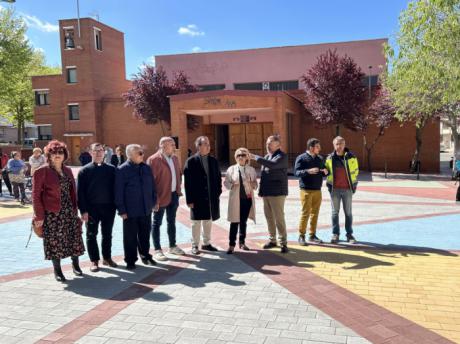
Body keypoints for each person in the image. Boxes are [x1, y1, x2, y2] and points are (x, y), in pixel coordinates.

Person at [32, 140, 85, 282]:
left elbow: (73, 192)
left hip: (69, 211)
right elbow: (36, 196)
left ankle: (76, 265)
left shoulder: (67, 170)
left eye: (60, 152)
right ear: (48, 155)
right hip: (52, 214)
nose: (57, 155)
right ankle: (58, 270)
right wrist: (39, 215)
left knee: (74, 238)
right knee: (55, 242)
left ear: (64, 155)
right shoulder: (41, 172)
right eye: (54, 152)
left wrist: (77, 210)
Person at [115, 144, 157, 269]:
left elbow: (152, 186)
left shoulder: (146, 168)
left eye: (142, 152)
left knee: (145, 235)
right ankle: (130, 260)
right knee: (130, 237)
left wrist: (154, 201)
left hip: (146, 208)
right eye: (139, 153)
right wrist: (121, 210)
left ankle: (145, 256)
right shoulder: (122, 170)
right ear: (130, 155)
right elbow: (118, 192)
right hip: (130, 211)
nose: (142, 155)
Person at [77, 143, 117, 272]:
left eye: (101, 150)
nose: (99, 153)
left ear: (104, 152)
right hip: (91, 209)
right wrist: (83, 211)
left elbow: (116, 190)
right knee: (91, 235)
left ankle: (107, 258)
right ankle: (94, 261)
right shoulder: (84, 171)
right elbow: (80, 193)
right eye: (96, 151)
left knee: (107, 234)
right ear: (90, 153)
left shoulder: (112, 169)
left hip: (108, 208)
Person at [147, 137, 185, 261]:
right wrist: (154, 199)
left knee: (171, 221)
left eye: (174, 144)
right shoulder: (153, 160)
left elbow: (178, 174)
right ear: (162, 145)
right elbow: (150, 183)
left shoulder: (174, 158)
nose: (174, 147)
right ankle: (157, 250)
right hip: (160, 197)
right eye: (172, 144)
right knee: (157, 223)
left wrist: (178, 190)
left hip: (173, 195)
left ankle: (172, 246)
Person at [249, 135, 289, 253]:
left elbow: (273, 165)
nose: (267, 145)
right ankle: (272, 240)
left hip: (277, 193)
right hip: (266, 193)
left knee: (279, 218)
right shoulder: (267, 156)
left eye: (270, 143)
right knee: (269, 218)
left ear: (278, 145)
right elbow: (265, 176)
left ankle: (283, 243)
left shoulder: (282, 156)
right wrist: (261, 191)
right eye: (267, 142)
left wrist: (255, 157)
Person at [184, 136, 222, 255]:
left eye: (209, 143)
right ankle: (195, 245)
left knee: (208, 220)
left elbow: (218, 177)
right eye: (205, 144)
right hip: (197, 198)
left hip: (211, 197)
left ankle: (206, 243)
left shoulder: (213, 160)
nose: (209, 146)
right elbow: (187, 183)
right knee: (196, 222)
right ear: (199, 146)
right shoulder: (191, 161)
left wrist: (218, 192)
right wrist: (189, 199)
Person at [324, 136, 359, 244]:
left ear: (344, 144)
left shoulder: (351, 157)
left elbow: (356, 171)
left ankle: (349, 234)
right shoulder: (329, 158)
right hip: (335, 190)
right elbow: (327, 172)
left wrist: (353, 185)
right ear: (333, 145)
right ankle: (335, 234)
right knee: (335, 213)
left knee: (348, 213)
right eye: (337, 144)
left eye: (341, 144)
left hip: (347, 190)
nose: (339, 146)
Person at [294, 138, 328, 245]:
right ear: (311, 148)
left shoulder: (320, 158)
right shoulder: (301, 158)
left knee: (315, 213)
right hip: (306, 190)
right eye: (317, 147)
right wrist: (308, 171)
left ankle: (312, 235)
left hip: (318, 190)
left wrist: (326, 172)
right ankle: (301, 235)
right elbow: (296, 172)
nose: (320, 148)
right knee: (306, 213)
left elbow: (323, 171)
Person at [224, 147, 258, 254]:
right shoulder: (231, 169)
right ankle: (231, 245)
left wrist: (251, 182)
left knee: (243, 222)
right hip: (235, 200)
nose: (240, 157)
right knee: (234, 222)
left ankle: (242, 243)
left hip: (246, 200)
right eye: (238, 155)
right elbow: (226, 183)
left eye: (243, 155)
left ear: (247, 157)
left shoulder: (251, 170)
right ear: (235, 157)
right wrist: (232, 184)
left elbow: (255, 185)